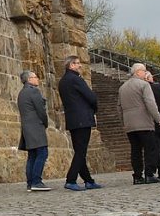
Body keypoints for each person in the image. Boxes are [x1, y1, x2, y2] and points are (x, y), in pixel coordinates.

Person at [58, 55, 103, 191]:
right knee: (81, 151)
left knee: (79, 150)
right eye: (77, 63)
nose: (80, 65)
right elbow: (91, 96)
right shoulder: (75, 79)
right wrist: (94, 108)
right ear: (71, 65)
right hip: (82, 118)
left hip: (73, 119)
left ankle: (88, 180)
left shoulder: (63, 81)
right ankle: (71, 179)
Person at [118, 63, 160, 184]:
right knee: (150, 148)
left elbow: (119, 107)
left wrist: (123, 122)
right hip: (144, 122)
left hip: (129, 124)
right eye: (144, 71)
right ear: (138, 72)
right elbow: (150, 103)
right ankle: (149, 174)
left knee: (135, 150)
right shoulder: (144, 85)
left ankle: (137, 175)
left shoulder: (122, 87)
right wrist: (158, 118)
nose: (145, 73)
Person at [17, 70, 51, 191]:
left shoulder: (22, 93)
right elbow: (41, 111)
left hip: (27, 127)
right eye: (35, 77)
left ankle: (30, 183)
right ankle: (36, 181)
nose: (37, 79)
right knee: (42, 153)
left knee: (32, 155)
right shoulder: (34, 91)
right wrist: (45, 123)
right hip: (36, 126)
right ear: (29, 79)